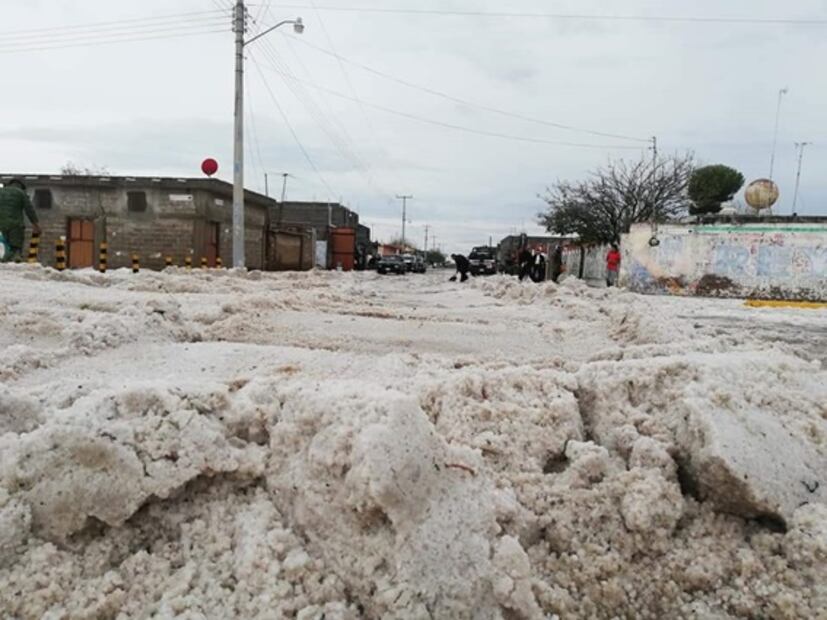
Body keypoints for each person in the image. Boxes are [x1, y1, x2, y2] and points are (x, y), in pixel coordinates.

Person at [0, 179, 40, 263]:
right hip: (16, 225)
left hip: (1, 225)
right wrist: (35, 224)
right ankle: (15, 260)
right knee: (15, 248)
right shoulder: (21, 193)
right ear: (21, 186)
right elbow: (29, 210)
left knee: (4, 246)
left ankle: (4, 262)